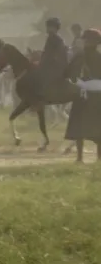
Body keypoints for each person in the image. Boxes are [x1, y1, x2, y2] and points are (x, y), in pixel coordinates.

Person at [65, 28, 101, 162]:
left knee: (79, 126)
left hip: (84, 93)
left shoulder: (81, 56)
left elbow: (70, 72)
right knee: (97, 126)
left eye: (87, 39)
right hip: (97, 94)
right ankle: (98, 158)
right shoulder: (98, 56)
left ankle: (80, 158)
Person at [38, 17, 69, 90]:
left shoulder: (57, 39)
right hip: (50, 64)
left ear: (55, 28)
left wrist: (43, 61)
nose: (47, 28)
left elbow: (57, 55)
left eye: (49, 26)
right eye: (47, 26)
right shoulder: (51, 38)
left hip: (55, 67)